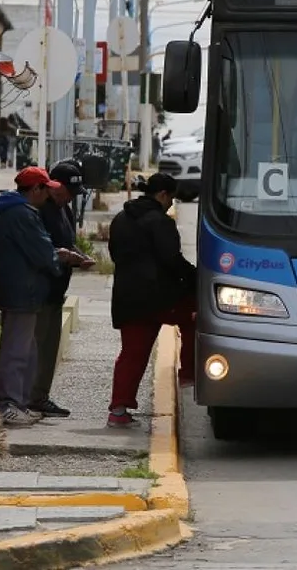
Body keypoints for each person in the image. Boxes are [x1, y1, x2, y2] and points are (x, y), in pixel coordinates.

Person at [0, 166, 85, 426]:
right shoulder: (21, 215)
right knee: (16, 351)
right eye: (45, 188)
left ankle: (18, 402)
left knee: (26, 351)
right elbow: (42, 252)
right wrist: (63, 256)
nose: (48, 195)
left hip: (27, 292)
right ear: (35, 189)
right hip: (22, 292)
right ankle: (8, 404)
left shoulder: (22, 213)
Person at [107, 172, 197, 428]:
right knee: (196, 316)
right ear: (163, 195)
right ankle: (188, 375)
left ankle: (118, 410)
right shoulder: (160, 222)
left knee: (131, 354)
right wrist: (196, 279)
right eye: (171, 199)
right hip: (160, 298)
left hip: (127, 297)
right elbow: (172, 260)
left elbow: (115, 254)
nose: (171, 204)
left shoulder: (121, 218)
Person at [29, 160, 92, 418]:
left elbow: (67, 241)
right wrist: (64, 256)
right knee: (35, 346)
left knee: (49, 348)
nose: (68, 198)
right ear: (53, 185)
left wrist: (79, 256)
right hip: (39, 289)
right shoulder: (39, 209)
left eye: (72, 194)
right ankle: (29, 396)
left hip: (57, 290)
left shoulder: (65, 209)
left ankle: (40, 396)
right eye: (65, 192)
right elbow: (40, 249)